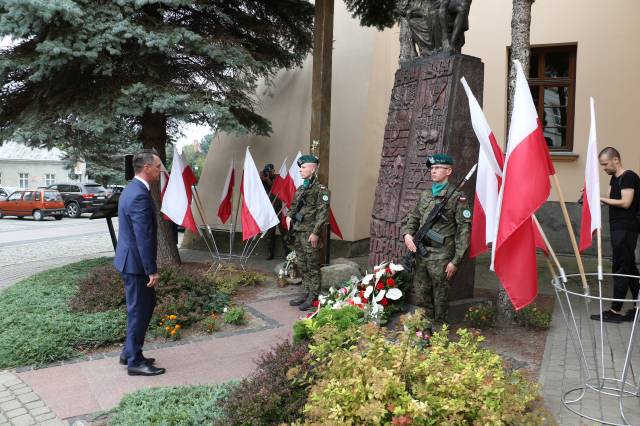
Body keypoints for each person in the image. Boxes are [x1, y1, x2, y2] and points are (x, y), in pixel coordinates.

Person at [401, 153, 471, 328]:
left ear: (448, 171)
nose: (433, 171)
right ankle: (425, 330)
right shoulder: (425, 195)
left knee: (440, 297)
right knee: (422, 294)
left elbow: (464, 231)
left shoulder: (457, 197)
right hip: (421, 253)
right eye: (432, 168)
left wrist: (455, 261)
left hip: (441, 256)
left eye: (438, 168)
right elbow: (413, 218)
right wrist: (407, 235)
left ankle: (440, 332)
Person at [114, 149, 166, 376]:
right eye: (157, 167)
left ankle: (129, 352)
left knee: (142, 307)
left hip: (130, 262)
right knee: (140, 310)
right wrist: (151, 270)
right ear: (146, 168)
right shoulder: (139, 195)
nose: (159, 170)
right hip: (136, 265)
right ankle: (135, 361)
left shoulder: (131, 189)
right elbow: (143, 236)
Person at [591, 147, 640, 323]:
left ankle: (615, 311)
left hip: (627, 228)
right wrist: (592, 195)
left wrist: (600, 198)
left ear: (615, 160)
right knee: (630, 267)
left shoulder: (629, 176)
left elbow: (626, 203)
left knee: (621, 268)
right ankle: (638, 306)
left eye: (605, 164)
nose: (604, 168)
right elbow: (612, 198)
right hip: (618, 227)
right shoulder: (615, 178)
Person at [287, 155, 330, 311]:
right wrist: (288, 216)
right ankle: (305, 292)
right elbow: (293, 207)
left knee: (312, 266)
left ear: (313, 169)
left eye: (303, 167)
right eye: (300, 167)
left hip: (310, 234)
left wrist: (316, 232)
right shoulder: (301, 189)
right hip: (298, 232)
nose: (300, 170)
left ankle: (313, 296)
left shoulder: (321, 190)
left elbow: (323, 213)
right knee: (302, 264)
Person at [260, 163, 288, 259]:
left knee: (284, 232)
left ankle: (287, 253)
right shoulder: (263, 179)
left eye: (270, 171)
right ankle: (270, 253)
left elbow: (274, 187)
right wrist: (262, 177)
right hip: (269, 211)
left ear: (273, 171)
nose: (268, 173)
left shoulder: (277, 178)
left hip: (278, 209)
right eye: (267, 171)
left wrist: (268, 179)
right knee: (269, 233)